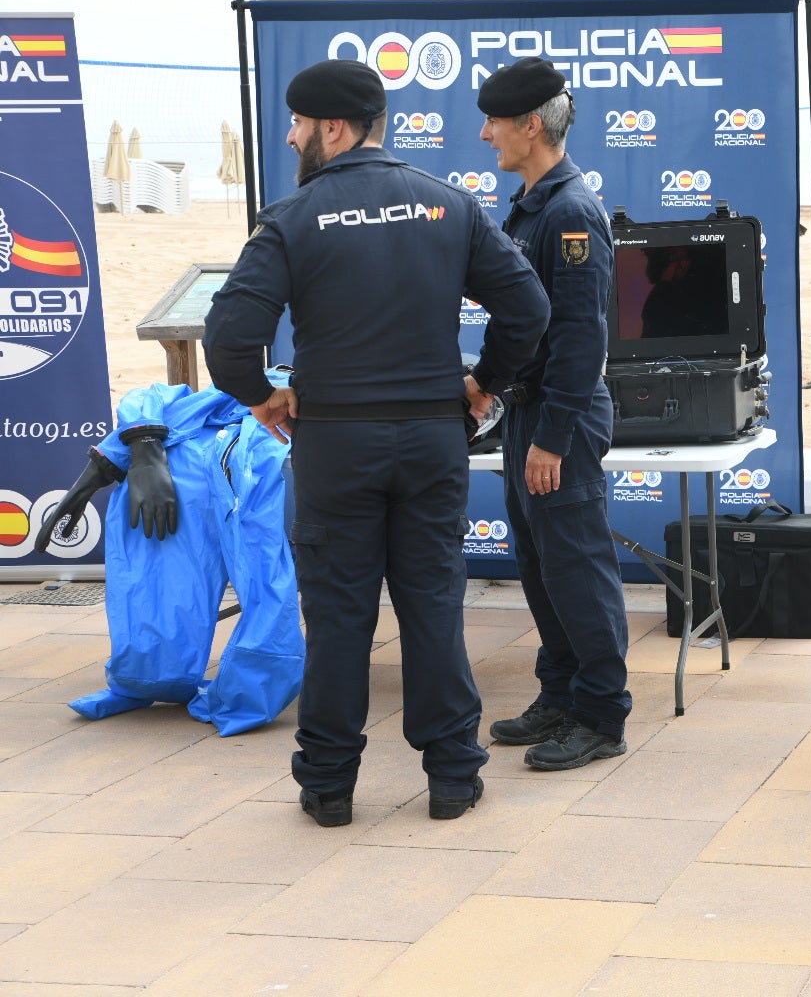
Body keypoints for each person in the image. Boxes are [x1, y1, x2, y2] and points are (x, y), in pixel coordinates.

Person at [203, 58, 550, 826]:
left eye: (296, 124)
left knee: (337, 617)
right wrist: (484, 382)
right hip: (433, 439)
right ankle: (453, 776)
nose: (290, 137)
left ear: (332, 128)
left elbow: (227, 340)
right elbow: (526, 305)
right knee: (432, 605)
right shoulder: (448, 205)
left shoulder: (293, 217)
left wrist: (264, 399)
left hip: (335, 447)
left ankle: (328, 788)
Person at [476, 57, 633, 771]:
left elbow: (580, 338)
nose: (487, 135)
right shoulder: (535, 202)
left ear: (529, 126)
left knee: (576, 568)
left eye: (496, 123)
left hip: (556, 421)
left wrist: (553, 438)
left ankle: (600, 716)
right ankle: (562, 693)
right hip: (528, 415)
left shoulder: (570, 212)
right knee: (541, 567)